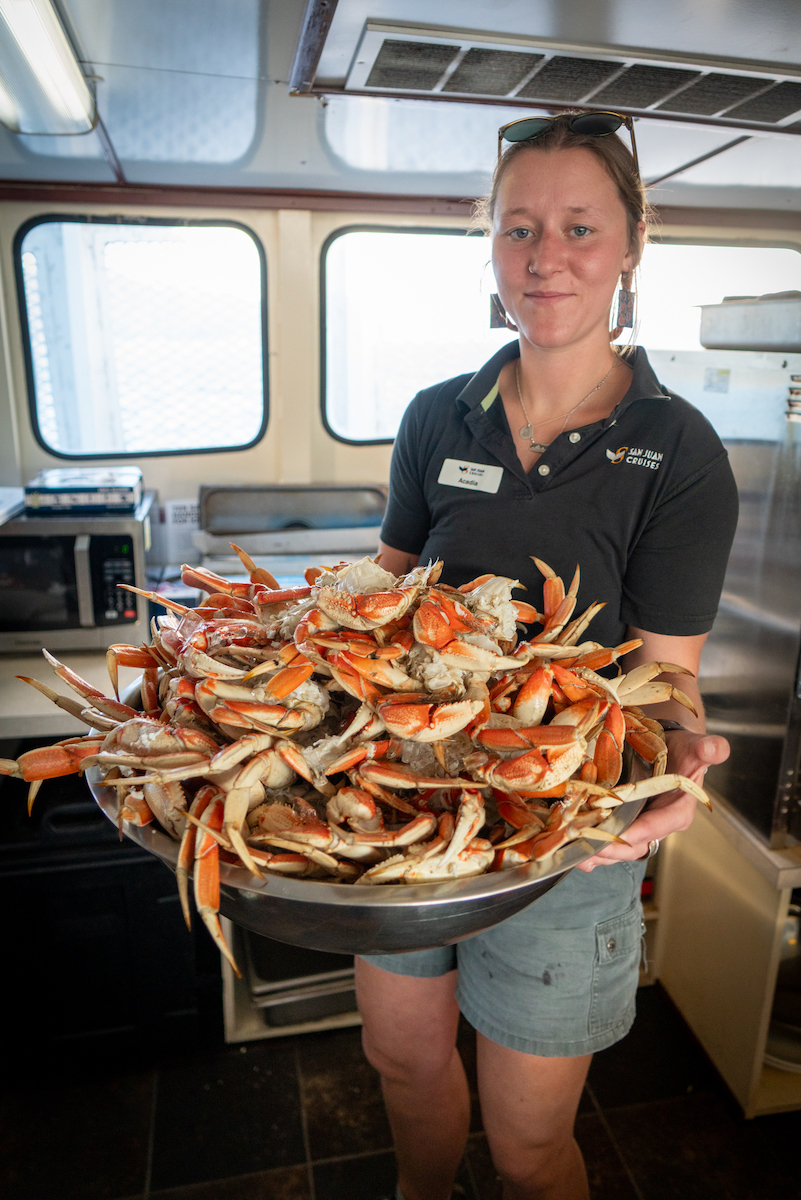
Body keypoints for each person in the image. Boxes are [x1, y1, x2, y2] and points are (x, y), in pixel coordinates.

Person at [354, 112, 739, 1200]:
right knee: (403, 1062)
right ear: (490, 245)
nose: (545, 256)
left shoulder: (678, 449)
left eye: (579, 226)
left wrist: (681, 757)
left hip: (562, 828)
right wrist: (294, 621)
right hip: (402, 788)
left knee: (528, 1147)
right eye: (518, 228)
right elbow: (383, 590)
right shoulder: (438, 417)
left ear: (632, 243)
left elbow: (667, 674)